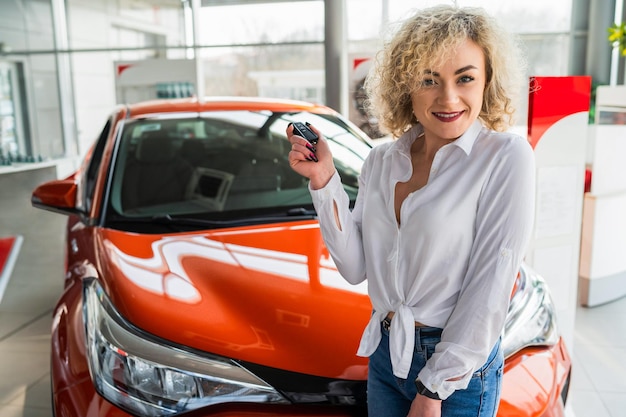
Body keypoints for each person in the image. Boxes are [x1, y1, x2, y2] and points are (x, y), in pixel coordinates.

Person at [287, 5, 535, 417]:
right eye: (429, 80)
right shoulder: (382, 160)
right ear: (406, 86)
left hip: (456, 372)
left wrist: (434, 389)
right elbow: (353, 267)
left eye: (465, 78)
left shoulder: (506, 157)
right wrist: (324, 180)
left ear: (486, 80)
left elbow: (490, 287)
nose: (449, 98)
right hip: (386, 354)